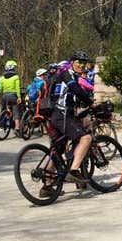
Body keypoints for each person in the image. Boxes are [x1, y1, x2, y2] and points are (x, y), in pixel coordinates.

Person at [50, 50, 95, 188]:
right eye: (78, 62)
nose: (81, 65)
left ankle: (47, 187)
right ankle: (74, 171)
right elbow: (75, 89)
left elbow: (70, 96)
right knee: (86, 138)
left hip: (56, 115)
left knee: (56, 151)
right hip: (62, 115)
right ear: (72, 62)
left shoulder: (72, 75)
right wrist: (90, 102)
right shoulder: (67, 74)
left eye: (83, 62)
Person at [0, 60, 22, 124]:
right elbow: (17, 88)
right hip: (13, 96)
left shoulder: (2, 78)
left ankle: (6, 120)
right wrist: (19, 97)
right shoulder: (16, 77)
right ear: (12, 68)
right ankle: (17, 127)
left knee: (4, 108)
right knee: (16, 110)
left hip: (4, 96)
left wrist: (3, 91)